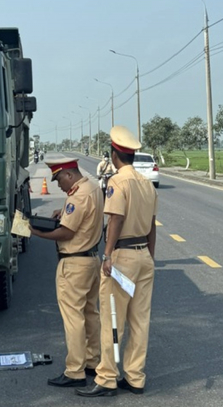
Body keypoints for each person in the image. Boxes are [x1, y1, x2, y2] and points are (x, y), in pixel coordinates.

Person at [76, 126, 158, 398]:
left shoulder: (117, 183)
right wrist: (150, 256)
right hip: (144, 255)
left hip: (122, 256)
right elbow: (152, 227)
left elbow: (116, 220)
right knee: (139, 320)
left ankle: (107, 378)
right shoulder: (146, 184)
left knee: (113, 320)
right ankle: (135, 377)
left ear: (114, 155)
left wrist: (108, 254)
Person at [30, 157, 104, 389]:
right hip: (92, 259)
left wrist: (35, 233)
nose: (58, 185)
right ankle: (93, 361)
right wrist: (61, 213)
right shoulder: (92, 188)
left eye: (59, 179)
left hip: (74, 264)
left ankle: (75, 371)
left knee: (73, 318)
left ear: (69, 174)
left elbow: (66, 233)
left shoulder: (78, 195)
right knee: (91, 313)